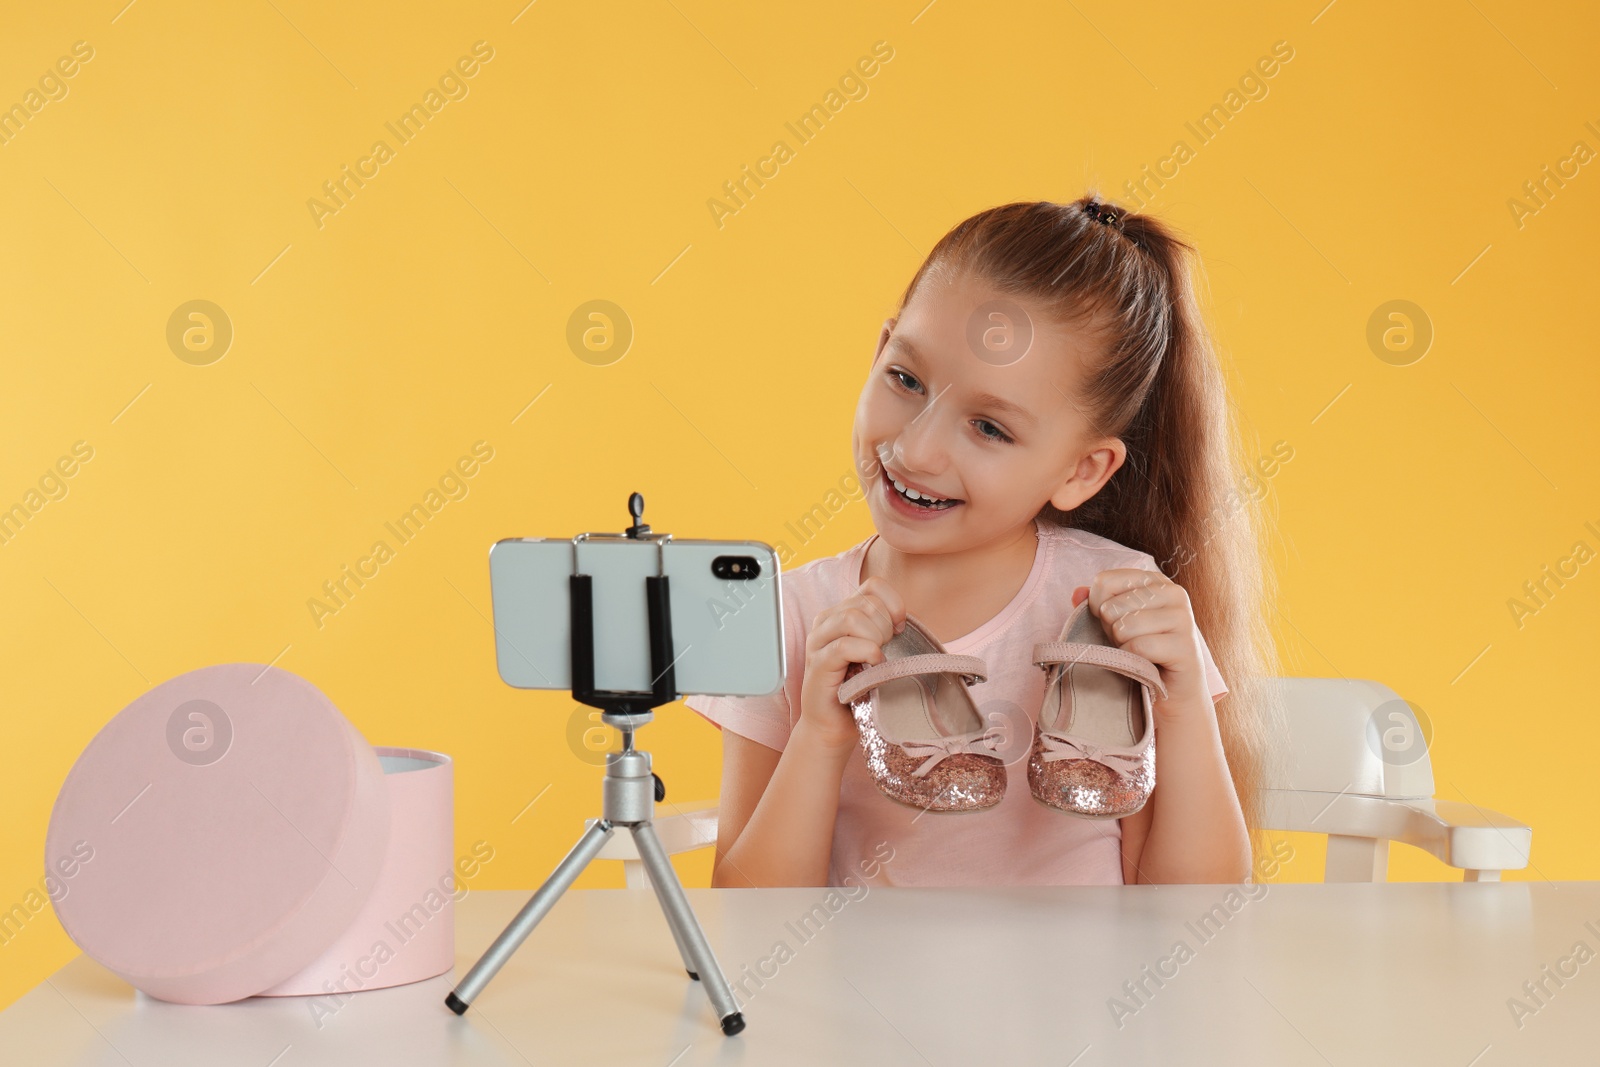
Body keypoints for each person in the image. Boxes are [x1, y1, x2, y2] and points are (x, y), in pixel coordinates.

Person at [684, 197, 1285, 887]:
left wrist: (1181, 707)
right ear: (880, 351)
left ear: (1080, 471)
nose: (917, 448)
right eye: (906, 380)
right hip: (853, 995)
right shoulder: (784, 617)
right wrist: (818, 737)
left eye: (990, 428)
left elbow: (1196, 907)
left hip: (1087, 995)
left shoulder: (1125, 605)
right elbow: (748, 917)